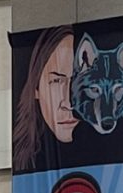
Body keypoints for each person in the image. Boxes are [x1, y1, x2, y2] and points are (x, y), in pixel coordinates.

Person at [12, 25, 81, 173]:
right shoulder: (24, 160)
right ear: (35, 88)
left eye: (78, 81)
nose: (68, 103)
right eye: (56, 81)